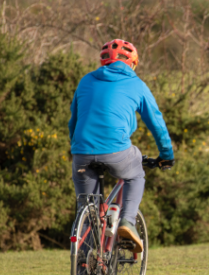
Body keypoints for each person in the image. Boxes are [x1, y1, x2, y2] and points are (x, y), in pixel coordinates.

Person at [69, 39, 175, 254]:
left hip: (81, 153)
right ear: (133, 63)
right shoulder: (136, 84)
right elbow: (156, 122)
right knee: (135, 174)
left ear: (104, 61)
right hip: (116, 151)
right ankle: (127, 221)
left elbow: (74, 120)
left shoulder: (86, 80)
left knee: (88, 215)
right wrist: (166, 154)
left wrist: (78, 148)